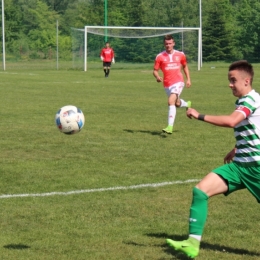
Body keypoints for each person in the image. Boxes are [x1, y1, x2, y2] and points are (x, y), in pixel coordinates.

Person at [166, 60, 260, 258]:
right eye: (229, 80)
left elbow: (232, 121)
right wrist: (236, 148)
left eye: (233, 80)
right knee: (200, 191)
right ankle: (192, 244)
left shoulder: (251, 100)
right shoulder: (245, 101)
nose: (230, 84)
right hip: (239, 167)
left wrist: (199, 115)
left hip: (256, 168)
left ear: (247, 80)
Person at [153, 34, 191, 134]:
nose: (168, 45)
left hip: (178, 82)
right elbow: (155, 71)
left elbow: (185, 66)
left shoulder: (180, 54)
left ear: (173, 43)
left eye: (170, 43)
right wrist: (157, 77)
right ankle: (187, 104)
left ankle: (170, 127)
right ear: (164, 44)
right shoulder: (160, 56)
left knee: (170, 101)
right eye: (166, 44)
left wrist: (188, 79)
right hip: (167, 84)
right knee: (177, 103)